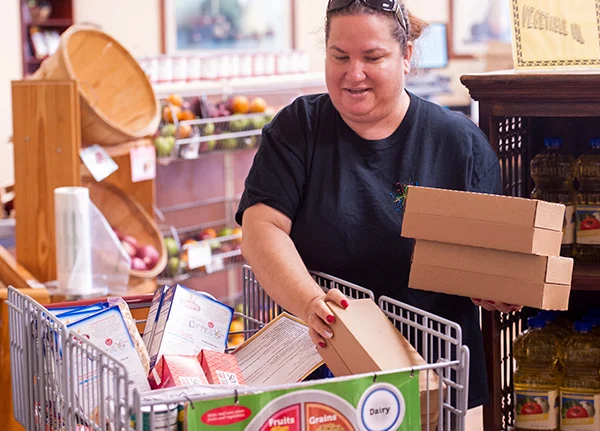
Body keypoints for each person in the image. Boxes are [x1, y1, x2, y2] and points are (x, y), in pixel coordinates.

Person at [235, 0, 519, 411]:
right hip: (321, 376)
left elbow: (489, 260)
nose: (354, 74)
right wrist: (312, 304)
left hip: (433, 386)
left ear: (405, 56)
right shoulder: (299, 128)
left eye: (372, 57)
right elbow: (262, 230)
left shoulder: (457, 143)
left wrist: (497, 287)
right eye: (339, 56)